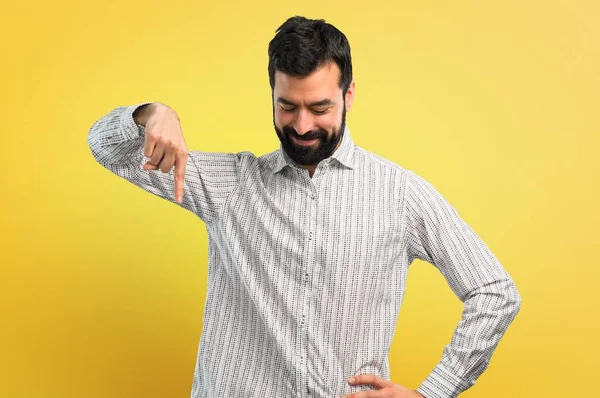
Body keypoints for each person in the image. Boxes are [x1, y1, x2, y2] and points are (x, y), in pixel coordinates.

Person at [87, 15, 521, 398]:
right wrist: (150, 114)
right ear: (272, 92)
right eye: (287, 105)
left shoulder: (400, 194)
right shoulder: (231, 185)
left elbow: (495, 292)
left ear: (348, 96)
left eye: (320, 107)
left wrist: (433, 392)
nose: (302, 125)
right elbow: (106, 148)